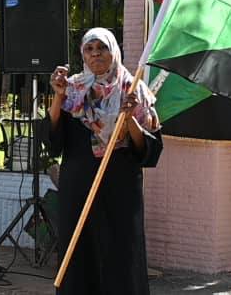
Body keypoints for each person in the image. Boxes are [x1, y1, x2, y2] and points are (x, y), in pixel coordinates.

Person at [45, 28, 162, 295]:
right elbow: (54, 140)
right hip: (78, 188)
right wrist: (58, 96)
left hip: (119, 189)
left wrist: (129, 118)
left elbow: (148, 150)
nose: (96, 54)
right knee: (79, 258)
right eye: (89, 48)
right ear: (83, 54)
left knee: (120, 256)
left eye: (102, 48)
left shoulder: (133, 90)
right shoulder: (73, 89)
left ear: (113, 52)